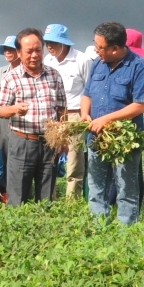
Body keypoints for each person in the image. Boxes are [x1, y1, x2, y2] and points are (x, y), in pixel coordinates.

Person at [82, 21, 144, 225]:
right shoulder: (97, 63)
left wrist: (106, 119)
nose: (97, 51)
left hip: (124, 140)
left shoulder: (139, 67)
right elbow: (87, 94)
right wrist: (84, 114)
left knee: (126, 187)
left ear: (115, 48)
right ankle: (98, 227)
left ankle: (126, 232)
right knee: (96, 185)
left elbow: (140, 105)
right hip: (96, 137)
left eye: (100, 47)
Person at [0, 27, 67, 205]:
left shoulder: (54, 75)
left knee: (46, 195)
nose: (34, 55)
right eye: (29, 51)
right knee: (17, 195)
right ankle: (17, 228)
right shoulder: (11, 78)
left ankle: (44, 226)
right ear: (19, 52)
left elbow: (61, 109)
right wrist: (15, 109)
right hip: (22, 141)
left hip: (49, 142)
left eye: (38, 50)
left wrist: (62, 137)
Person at [42, 24, 90, 198]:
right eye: (47, 42)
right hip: (54, 116)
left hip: (75, 114)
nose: (50, 46)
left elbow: (89, 89)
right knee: (51, 156)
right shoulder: (47, 60)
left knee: (74, 159)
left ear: (64, 43)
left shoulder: (82, 60)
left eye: (54, 42)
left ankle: (72, 201)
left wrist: (85, 115)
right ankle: (50, 197)